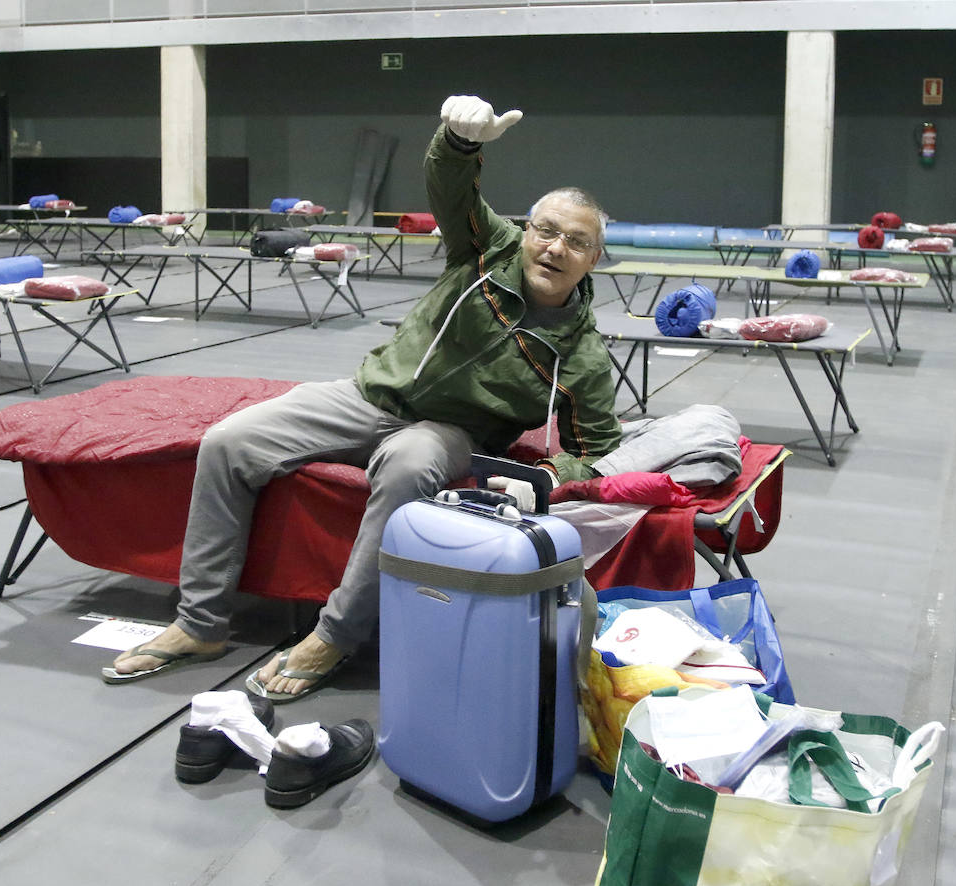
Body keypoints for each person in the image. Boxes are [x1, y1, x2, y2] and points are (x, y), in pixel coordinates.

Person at [103, 95, 622, 699]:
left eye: (576, 242)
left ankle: (335, 636)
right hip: (368, 395)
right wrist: (458, 142)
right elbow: (450, 185)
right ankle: (200, 623)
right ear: (527, 231)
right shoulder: (488, 250)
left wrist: (550, 473)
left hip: (449, 433)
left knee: (407, 469)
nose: (555, 248)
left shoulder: (579, 352)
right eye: (546, 230)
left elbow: (597, 448)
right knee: (228, 441)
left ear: (593, 260)